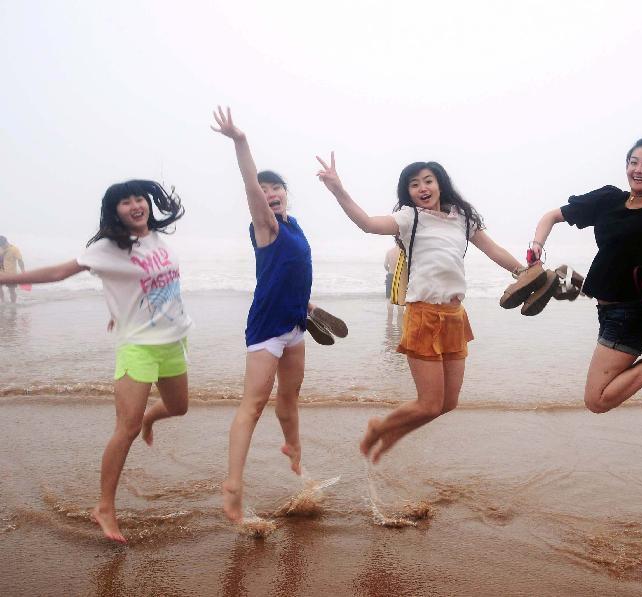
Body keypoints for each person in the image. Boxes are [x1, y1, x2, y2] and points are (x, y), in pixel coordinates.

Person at [0, 181, 191, 543]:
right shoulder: (108, 248)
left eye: (140, 199)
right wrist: (4, 278)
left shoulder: (156, 239)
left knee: (179, 407)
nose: (135, 205)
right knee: (126, 428)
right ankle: (104, 507)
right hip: (138, 347)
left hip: (173, 340)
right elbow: (58, 273)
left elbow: (146, 286)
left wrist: (118, 309)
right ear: (114, 210)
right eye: (125, 201)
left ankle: (151, 416)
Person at [316, 154, 528, 463]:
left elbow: (493, 249)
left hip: (455, 316)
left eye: (428, 181)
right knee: (429, 404)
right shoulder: (409, 217)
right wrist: (338, 189)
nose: (422, 188)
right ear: (408, 192)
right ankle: (380, 427)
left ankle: (392, 433)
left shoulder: (462, 217)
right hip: (424, 314)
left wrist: (524, 273)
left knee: (448, 403)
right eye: (414, 184)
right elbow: (367, 224)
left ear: (440, 184)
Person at [531, 138, 642, 414]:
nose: (638, 169)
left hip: (631, 312)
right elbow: (551, 217)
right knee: (597, 396)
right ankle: (551, 281)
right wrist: (537, 247)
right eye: (633, 162)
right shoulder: (608, 199)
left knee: (597, 400)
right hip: (606, 307)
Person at [212, 107, 321, 522]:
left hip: (294, 324)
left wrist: (307, 304)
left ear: (286, 194)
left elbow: (292, 272)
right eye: (264, 189)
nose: (270, 193)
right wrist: (241, 142)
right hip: (266, 329)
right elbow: (250, 185)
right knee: (253, 404)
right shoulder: (265, 226)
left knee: (290, 398)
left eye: (276, 188)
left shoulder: (294, 225)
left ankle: (292, 447)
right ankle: (233, 485)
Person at [0, 236, 26, 303]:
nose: (2, 247)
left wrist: (23, 272)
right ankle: (2, 301)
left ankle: (13, 304)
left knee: (12, 291)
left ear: (6, 242)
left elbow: (20, 260)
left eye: (2, 245)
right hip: (1, 273)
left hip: (11, 274)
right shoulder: (0, 249)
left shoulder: (14, 249)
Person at [384, 243, 402, 325]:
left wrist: (389, 269)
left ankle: (390, 318)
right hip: (401, 276)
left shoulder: (389, 252)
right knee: (400, 299)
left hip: (391, 275)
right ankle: (400, 319)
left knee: (389, 298)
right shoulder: (403, 252)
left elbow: (385, 265)